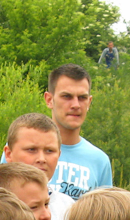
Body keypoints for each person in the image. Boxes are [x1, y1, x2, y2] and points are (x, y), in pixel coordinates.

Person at [45, 64, 113, 198]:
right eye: (67, 96)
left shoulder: (100, 161)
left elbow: (106, 211)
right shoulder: (23, 149)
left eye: (82, 98)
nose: (76, 105)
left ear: (89, 102)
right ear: (49, 100)